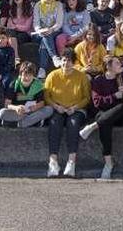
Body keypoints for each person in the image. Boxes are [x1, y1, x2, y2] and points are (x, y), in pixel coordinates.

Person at [79, 56, 123, 179]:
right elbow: (96, 103)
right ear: (109, 66)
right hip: (104, 114)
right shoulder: (98, 80)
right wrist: (114, 96)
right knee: (104, 124)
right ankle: (108, 163)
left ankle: (93, 126)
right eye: (117, 63)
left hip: (122, 116)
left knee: (122, 106)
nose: (121, 65)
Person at [43, 48, 91, 178]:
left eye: (69, 61)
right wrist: (55, 106)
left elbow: (87, 97)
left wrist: (75, 107)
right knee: (54, 123)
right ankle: (53, 161)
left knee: (73, 124)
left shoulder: (81, 77)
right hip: (58, 108)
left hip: (76, 109)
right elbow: (46, 95)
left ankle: (71, 161)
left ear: (74, 63)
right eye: (64, 60)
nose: (66, 64)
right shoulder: (52, 75)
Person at [0, 61, 53, 128]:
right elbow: (7, 104)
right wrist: (16, 108)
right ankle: (32, 121)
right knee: (2, 113)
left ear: (33, 76)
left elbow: (42, 103)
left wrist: (36, 107)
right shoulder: (14, 84)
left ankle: (21, 123)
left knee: (49, 109)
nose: (27, 78)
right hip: (19, 113)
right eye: (25, 75)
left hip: (32, 112)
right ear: (20, 75)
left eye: (30, 75)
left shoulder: (38, 85)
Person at [32, 0, 64, 78]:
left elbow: (59, 23)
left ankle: (42, 69)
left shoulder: (58, 5)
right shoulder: (38, 5)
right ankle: (54, 57)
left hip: (54, 30)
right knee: (44, 36)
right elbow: (36, 23)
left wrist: (50, 30)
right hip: (41, 32)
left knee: (44, 39)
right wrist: (40, 30)